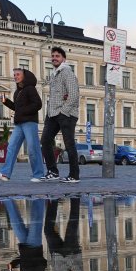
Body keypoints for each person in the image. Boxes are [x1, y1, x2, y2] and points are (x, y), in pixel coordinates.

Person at [0, 68, 47, 182]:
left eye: (18, 74)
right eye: (14, 75)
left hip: (30, 122)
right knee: (11, 147)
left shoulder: (30, 89)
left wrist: (23, 111)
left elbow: (38, 104)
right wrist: (6, 102)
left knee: (33, 149)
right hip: (19, 124)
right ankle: (5, 174)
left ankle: (38, 175)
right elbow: (17, 108)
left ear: (24, 76)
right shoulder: (17, 92)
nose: (15, 77)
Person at [40, 47, 81, 183]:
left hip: (66, 114)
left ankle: (74, 175)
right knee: (45, 141)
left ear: (63, 58)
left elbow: (74, 94)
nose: (54, 58)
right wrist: (50, 112)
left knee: (69, 144)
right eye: (52, 56)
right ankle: (53, 171)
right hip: (52, 114)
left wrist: (64, 111)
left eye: (57, 56)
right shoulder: (54, 74)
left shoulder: (67, 72)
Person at [45, 196, 83, 271]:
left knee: (48, 230)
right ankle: (75, 198)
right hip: (70, 254)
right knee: (72, 225)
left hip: (57, 255)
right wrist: (68, 259)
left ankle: (54, 200)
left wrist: (54, 260)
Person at [4, 198, 47, 271]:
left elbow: (23, 259)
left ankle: (7, 199)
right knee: (36, 220)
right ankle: (39, 197)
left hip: (24, 245)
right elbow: (43, 262)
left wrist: (12, 264)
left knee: (15, 223)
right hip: (34, 245)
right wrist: (32, 261)